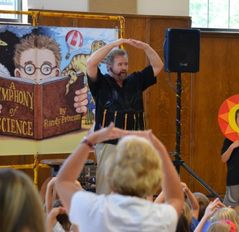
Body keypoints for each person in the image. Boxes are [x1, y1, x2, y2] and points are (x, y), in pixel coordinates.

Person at [55, 123, 183, 232]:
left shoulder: (94, 210)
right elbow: (176, 198)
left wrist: (90, 140)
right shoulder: (160, 218)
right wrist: (161, 150)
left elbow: (63, 181)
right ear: (155, 178)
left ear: (110, 172)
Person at [86, 38, 163, 193]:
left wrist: (146, 46)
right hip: (108, 143)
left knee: (134, 185)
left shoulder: (135, 81)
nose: (123, 68)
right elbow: (90, 63)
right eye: (119, 64)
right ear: (109, 66)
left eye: (125, 64)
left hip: (133, 144)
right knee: (106, 186)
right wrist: (113, 44)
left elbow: (158, 65)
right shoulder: (101, 83)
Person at [10, 34, 88, 114]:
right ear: (18, 75)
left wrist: (79, 113)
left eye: (46, 69)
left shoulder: (66, 102)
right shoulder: (9, 105)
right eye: (29, 69)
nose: (38, 77)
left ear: (57, 74)